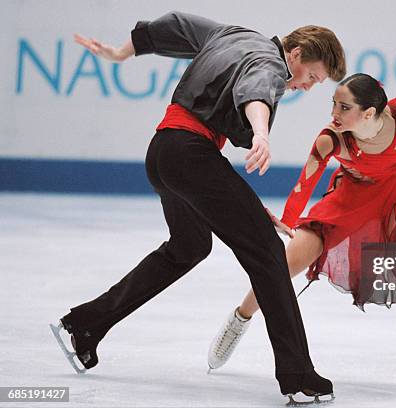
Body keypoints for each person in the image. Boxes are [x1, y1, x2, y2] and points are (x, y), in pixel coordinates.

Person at [48, 11, 346, 404]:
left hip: (163, 151)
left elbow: (175, 26)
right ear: (295, 54)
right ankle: (297, 376)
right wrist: (260, 132)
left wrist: (123, 52)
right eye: (312, 77)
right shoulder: (271, 63)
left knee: (189, 246)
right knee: (268, 253)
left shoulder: (233, 34)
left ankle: (87, 323)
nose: (307, 87)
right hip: (191, 154)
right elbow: (257, 89)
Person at [207, 74, 396, 397]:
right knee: (284, 262)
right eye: (333, 103)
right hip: (350, 195)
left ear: (369, 113)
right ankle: (240, 318)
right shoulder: (331, 138)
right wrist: (289, 221)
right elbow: (304, 184)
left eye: (344, 107)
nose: (334, 113)